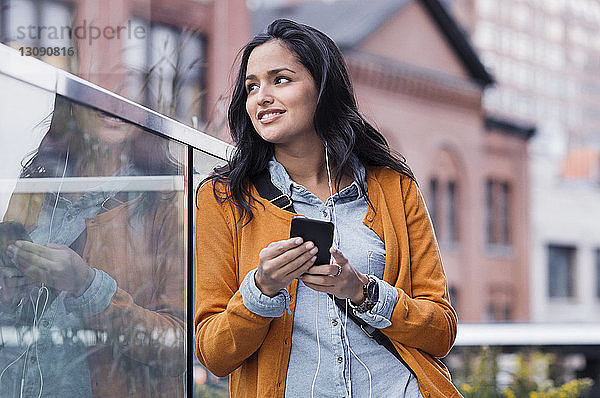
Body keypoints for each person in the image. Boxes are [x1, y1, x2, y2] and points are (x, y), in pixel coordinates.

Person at [195, 18, 460, 398]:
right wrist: (261, 290)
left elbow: (442, 332)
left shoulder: (394, 187)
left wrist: (364, 291)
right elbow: (214, 355)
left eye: (280, 79)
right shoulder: (224, 198)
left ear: (323, 89)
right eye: (252, 86)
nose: (261, 97)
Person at [0, 95, 185, 397]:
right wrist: (8, 297)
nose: (114, 103)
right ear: (72, 100)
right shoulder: (38, 181)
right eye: (99, 89)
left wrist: (88, 287)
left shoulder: (168, 198)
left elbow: (178, 347)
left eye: (128, 90)